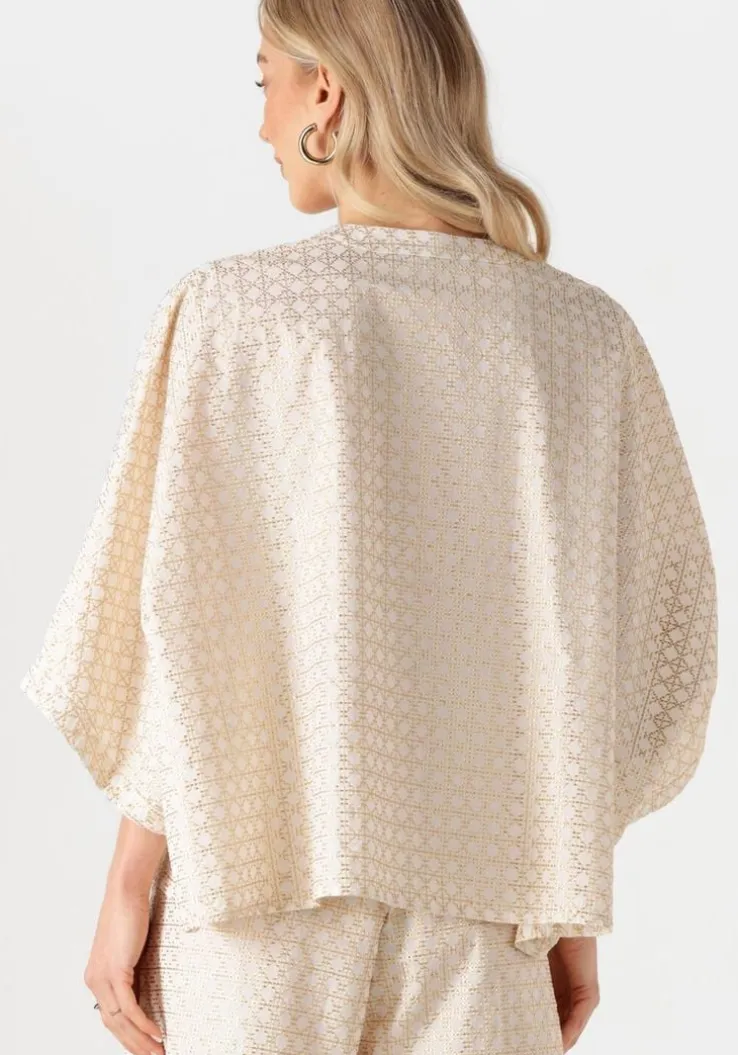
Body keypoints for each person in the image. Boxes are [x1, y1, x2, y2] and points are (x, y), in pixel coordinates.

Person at [19, 2, 718, 1054]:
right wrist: (567, 889)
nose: (261, 124)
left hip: (256, 897)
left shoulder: (235, 316)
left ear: (327, 92)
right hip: (490, 922)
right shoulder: (587, 340)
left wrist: (128, 881)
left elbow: (182, 624)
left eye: (264, 80)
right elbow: (652, 635)